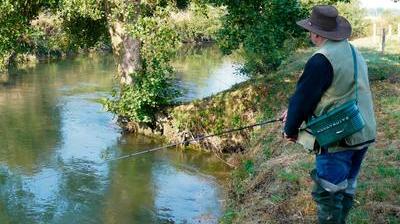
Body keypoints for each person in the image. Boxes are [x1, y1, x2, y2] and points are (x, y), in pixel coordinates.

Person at [281, 5, 376, 224]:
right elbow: (340, 91)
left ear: (316, 34)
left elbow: (302, 99)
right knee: (347, 188)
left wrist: (290, 130)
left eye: (310, 30)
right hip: (362, 131)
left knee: (329, 194)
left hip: (338, 139)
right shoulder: (352, 50)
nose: (309, 33)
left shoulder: (321, 59)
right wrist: (295, 112)